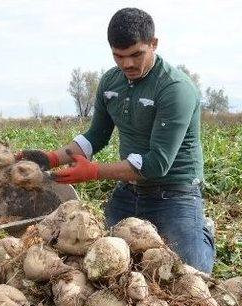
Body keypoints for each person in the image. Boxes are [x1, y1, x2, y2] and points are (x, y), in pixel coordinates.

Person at [18, 7, 215, 273]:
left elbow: (158, 163)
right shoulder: (111, 82)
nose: (127, 64)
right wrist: (50, 158)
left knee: (190, 272)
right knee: (103, 260)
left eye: (136, 54)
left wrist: (94, 171)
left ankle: (200, 229)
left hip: (175, 192)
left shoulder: (175, 89)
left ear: (153, 44)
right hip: (129, 191)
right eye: (119, 56)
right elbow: (95, 137)